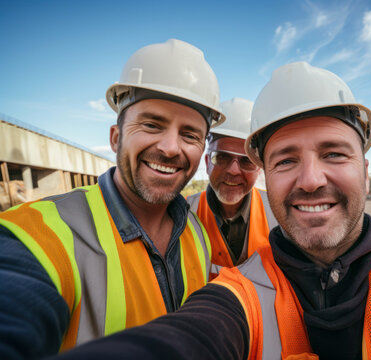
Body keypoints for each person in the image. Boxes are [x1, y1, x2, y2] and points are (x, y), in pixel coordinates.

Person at [53, 62, 371, 360]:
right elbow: (197, 330)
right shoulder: (235, 285)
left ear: (366, 168)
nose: (310, 179)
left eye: (333, 153)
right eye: (287, 159)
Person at [0, 39, 226, 358]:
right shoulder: (41, 237)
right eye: (151, 124)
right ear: (115, 137)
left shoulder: (196, 232)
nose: (171, 147)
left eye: (190, 134)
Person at [187, 98, 277, 273]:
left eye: (246, 160)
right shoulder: (183, 214)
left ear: (258, 168)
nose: (233, 170)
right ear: (207, 162)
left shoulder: (279, 214)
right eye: (221, 157)